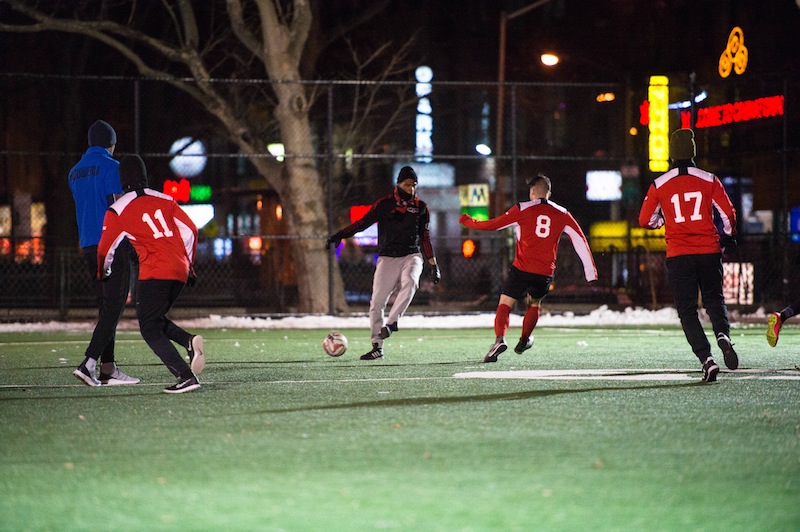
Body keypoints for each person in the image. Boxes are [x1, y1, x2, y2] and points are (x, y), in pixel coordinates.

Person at [460, 173, 598, 363]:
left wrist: (470, 222)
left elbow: (494, 225)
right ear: (549, 193)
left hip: (521, 269)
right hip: (544, 273)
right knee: (534, 304)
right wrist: (590, 272)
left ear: (533, 191)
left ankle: (499, 339)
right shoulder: (563, 213)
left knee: (504, 304)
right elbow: (580, 240)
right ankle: (524, 339)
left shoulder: (522, 209)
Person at [97, 155, 205, 394]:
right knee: (153, 317)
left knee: (148, 327)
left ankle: (185, 376)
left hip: (155, 270)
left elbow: (106, 248)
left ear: (122, 178)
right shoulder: (166, 199)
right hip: (178, 269)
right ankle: (188, 341)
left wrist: (102, 271)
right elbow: (191, 230)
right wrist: (188, 264)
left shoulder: (118, 208)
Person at [638, 128, 738, 383]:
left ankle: (707, 359)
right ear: (693, 153)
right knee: (714, 299)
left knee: (687, 310)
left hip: (679, 254)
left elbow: (645, 219)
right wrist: (726, 237)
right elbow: (728, 215)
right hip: (708, 251)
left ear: (672, 155)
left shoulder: (660, 184)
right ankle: (722, 334)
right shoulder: (709, 179)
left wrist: (662, 220)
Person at [326, 166, 440, 360]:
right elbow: (363, 223)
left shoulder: (421, 207)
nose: (411, 189)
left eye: (414, 185)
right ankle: (377, 346)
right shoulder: (385, 204)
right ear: (398, 184)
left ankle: (392, 322)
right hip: (387, 257)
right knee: (376, 303)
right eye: (407, 184)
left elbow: (425, 237)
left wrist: (433, 264)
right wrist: (341, 235)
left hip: (411, 255)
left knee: (411, 282)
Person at [69, 119, 139, 386]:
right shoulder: (113, 167)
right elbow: (117, 207)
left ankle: (108, 369)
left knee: (106, 305)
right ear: (111, 144)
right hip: (112, 243)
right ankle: (89, 363)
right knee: (115, 305)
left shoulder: (74, 172)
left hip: (88, 244)